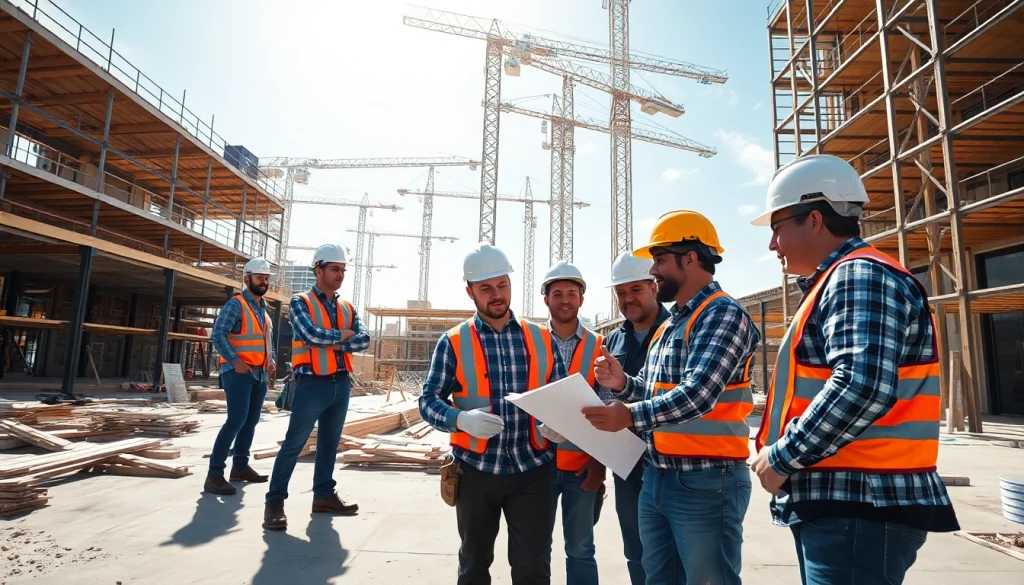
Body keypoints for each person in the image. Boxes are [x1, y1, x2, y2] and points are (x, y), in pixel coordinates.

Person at [749, 154, 960, 585]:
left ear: (813, 219)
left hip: (860, 503)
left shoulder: (858, 275)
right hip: (850, 503)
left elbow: (861, 385)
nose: (772, 245)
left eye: (776, 228)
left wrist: (783, 456)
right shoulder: (843, 279)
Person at [582, 210, 760, 585]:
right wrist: (624, 383)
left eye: (660, 261)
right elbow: (652, 386)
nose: (655, 272)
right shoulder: (673, 323)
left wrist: (628, 414)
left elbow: (698, 394)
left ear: (691, 258)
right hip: (660, 477)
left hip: (707, 481)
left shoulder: (722, 314)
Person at [419, 242, 568, 585]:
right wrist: (460, 419)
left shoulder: (542, 337)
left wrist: (560, 424)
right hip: (475, 471)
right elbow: (428, 401)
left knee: (533, 569)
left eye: (502, 285)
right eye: (486, 288)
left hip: (533, 470)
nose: (497, 295)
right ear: (469, 291)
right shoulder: (453, 341)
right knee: (473, 566)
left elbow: (562, 396)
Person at [263, 243, 370, 531]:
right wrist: (342, 337)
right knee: (294, 445)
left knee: (329, 445)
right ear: (318, 270)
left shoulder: (347, 306)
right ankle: (274, 502)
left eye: (343, 270)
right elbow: (310, 335)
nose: (341, 275)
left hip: (340, 384)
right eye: (335, 269)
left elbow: (364, 339)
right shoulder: (300, 302)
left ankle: (323, 496)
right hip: (311, 384)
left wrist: (333, 339)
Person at [536, 260, 608, 585]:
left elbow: (607, 407)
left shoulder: (599, 345)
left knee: (580, 548)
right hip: (536, 466)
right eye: (557, 293)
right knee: (536, 549)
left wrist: (599, 462)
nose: (564, 299)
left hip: (581, 467)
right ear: (546, 299)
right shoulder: (530, 342)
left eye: (571, 293)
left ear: (581, 298)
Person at [600, 251, 671, 585]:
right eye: (621, 293)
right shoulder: (613, 340)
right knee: (636, 551)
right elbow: (604, 395)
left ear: (654, 286)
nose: (628, 299)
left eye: (635, 290)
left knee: (672, 554)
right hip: (626, 466)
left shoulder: (677, 331)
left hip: (671, 465)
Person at [205, 257, 276, 495]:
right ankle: (214, 474)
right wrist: (235, 361)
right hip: (238, 373)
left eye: (266, 279)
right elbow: (218, 335)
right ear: (247, 279)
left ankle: (241, 467)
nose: (264, 282)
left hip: (259, 375)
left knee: (250, 421)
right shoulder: (236, 304)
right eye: (259, 278)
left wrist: (271, 360)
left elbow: (266, 340)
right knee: (235, 420)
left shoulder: (264, 309)